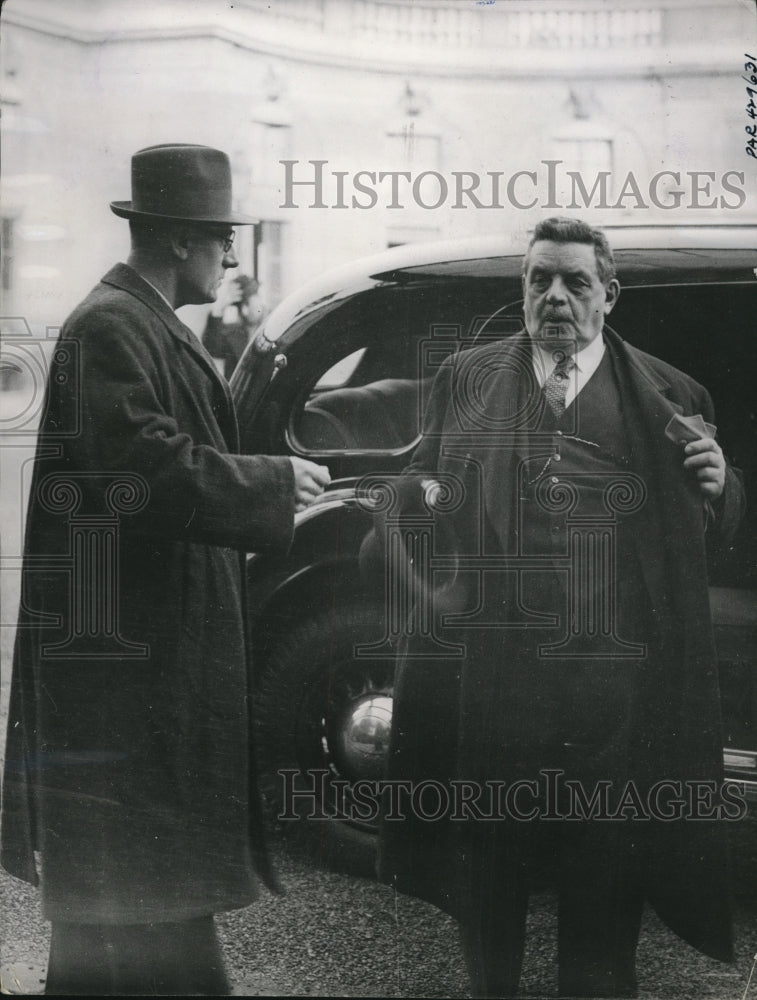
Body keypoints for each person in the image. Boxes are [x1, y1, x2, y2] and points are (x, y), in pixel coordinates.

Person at [360, 217, 745, 997]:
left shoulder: (671, 394)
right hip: (497, 683)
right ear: (522, 288)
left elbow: (711, 536)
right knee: (490, 885)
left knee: (602, 886)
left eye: (574, 281)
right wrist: (416, 502)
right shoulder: (465, 380)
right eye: (539, 279)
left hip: (612, 692)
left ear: (609, 293)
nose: (555, 297)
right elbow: (419, 490)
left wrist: (722, 488)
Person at [0, 143, 330, 996]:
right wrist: (271, 481)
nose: (231, 258)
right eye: (223, 239)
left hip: (137, 664)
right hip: (128, 674)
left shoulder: (137, 324)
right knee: (137, 897)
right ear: (183, 240)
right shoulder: (112, 326)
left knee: (129, 908)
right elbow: (142, 468)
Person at [202, 272, 269, 379]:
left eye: (248, 302)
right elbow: (212, 348)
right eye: (240, 305)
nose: (244, 310)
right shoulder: (232, 334)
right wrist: (220, 308)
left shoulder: (272, 330)